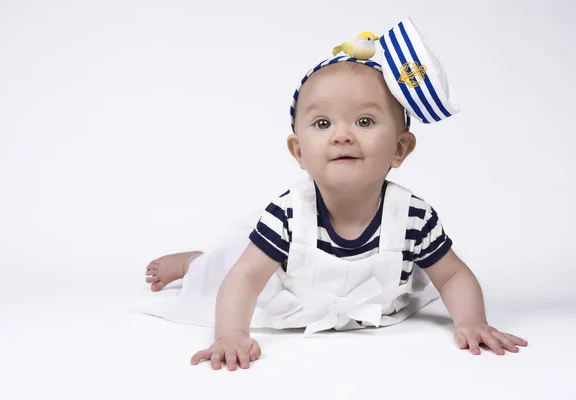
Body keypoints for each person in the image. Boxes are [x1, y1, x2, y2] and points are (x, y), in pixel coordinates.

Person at [144, 18, 528, 371]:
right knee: (218, 270)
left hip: (373, 309)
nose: (342, 135)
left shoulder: (413, 216)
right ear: (298, 152)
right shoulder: (287, 214)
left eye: (364, 121)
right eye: (322, 122)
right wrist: (231, 334)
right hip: (288, 292)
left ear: (400, 149)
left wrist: (471, 321)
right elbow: (244, 278)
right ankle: (193, 262)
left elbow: (452, 276)